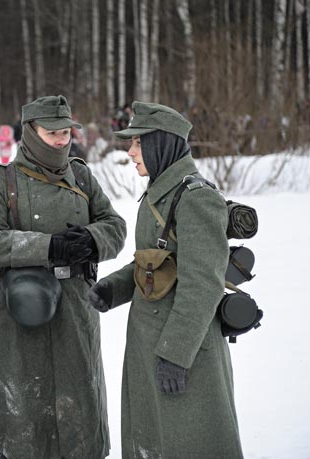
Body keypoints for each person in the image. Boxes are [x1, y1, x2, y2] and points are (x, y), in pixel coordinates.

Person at [0, 95, 126, 458]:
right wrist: (48, 247)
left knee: (79, 407)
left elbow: (115, 226)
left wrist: (91, 238)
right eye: (51, 132)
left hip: (75, 307)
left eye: (66, 131)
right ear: (30, 132)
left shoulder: (82, 175)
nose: (61, 139)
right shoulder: (0, 180)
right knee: (21, 408)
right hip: (21, 308)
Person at [88, 101, 243, 458]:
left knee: (189, 444)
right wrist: (114, 288)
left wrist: (175, 355)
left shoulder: (196, 198)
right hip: (150, 344)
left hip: (183, 352)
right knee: (154, 442)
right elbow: (157, 262)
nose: (130, 152)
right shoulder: (161, 191)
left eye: (138, 143)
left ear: (162, 143)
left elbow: (201, 284)